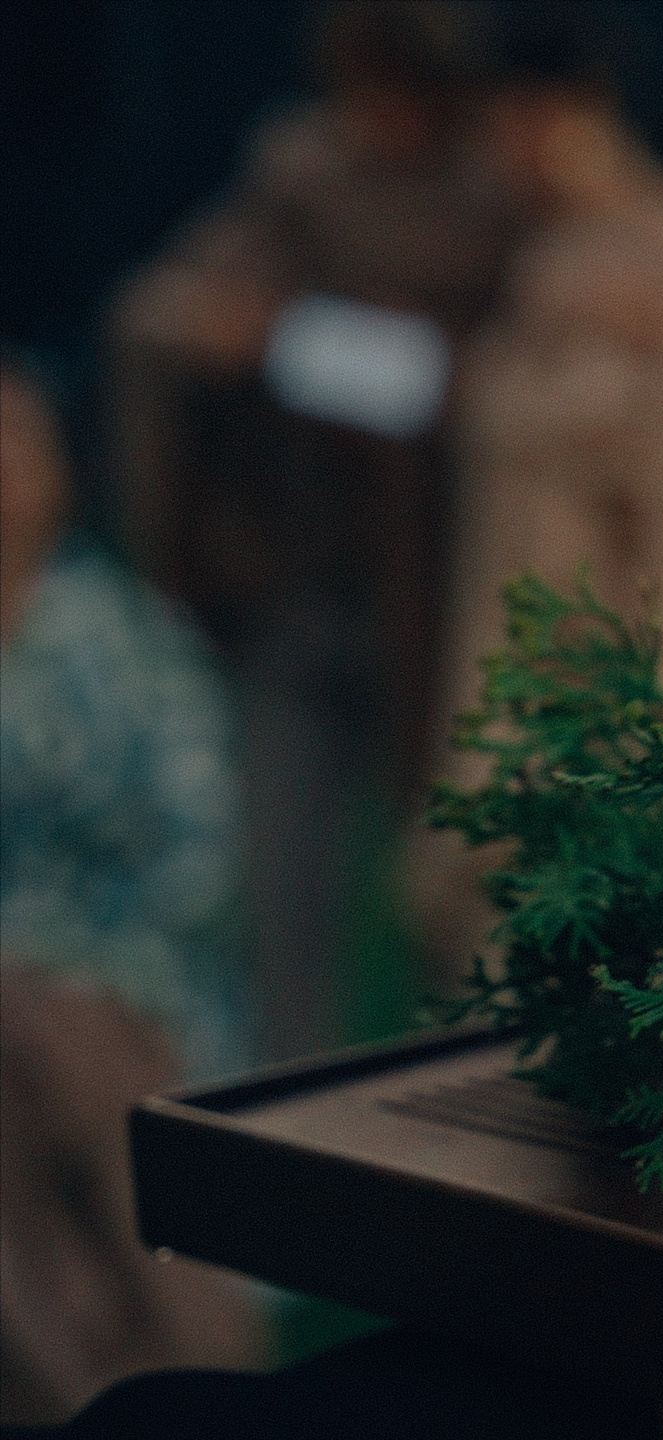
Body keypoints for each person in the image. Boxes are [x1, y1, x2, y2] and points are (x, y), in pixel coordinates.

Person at [106, 0, 517, 1062]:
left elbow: (462, 387)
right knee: (283, 898)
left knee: (462, 891)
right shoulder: (297, 180)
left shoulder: (494, 198)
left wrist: (300, 342)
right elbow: (171, 309)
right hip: (293, 587)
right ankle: (288, 1121)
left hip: (440, 601)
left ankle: (472, 1110)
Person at [406, 9, 663, 979]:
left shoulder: (660, 272)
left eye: (495, 125)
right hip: (568, 709)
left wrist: (659, 745)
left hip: (610, 727)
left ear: (551, 115)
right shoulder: (573, 255)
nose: (484, 158)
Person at [0, 358, 265, 1423]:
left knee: (49, 1055)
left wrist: (50, 972)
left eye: (15, 446)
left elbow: (195, 858)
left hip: (116, 983)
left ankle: (176, 1376)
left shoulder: (118, 637)